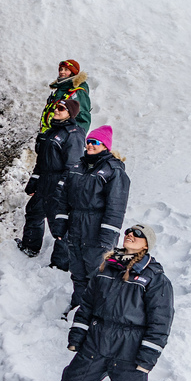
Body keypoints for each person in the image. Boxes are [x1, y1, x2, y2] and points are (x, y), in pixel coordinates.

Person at [53, 224, 174, 381]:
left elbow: (161, 321)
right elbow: (87, 305)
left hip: (130, 349)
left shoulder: (155, 278)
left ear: (147, 244)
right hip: (97, 341)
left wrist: (147, 357)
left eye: (139, 234)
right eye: (129, 231)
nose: (131, 234)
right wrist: (77, 335)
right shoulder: (106, 268)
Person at [56, 124, 129, 313]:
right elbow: (64, 198)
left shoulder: (113, 171)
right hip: (76, 229)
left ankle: (98, 312)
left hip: (97, 232)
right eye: (88, 141)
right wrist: (61, 224)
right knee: (78, 273)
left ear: (105, 145)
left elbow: (116, 207)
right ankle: (79, 308)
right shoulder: (77, 167)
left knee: (98, 274)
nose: (90, 145)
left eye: (95, 142)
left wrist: (107, 237)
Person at [19, 95, 86, 257]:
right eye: (56, 107)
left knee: (59, 223)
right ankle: (30, 247)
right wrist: (33, 182)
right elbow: (41, 162)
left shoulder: (73, 134)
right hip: (44, 182)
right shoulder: (51, 132)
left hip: (58, 184)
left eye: (61, 109)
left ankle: (61, 263)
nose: (56, 110)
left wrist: (62, 186)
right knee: (34, 212)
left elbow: (73, 165)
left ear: (70, 113)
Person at [39, 60, 92, 134]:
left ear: (73, 72)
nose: (62, 72)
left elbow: (83, 118)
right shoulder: (61, 89)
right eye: (61, 69)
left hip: (62, 136)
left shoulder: (78, 92)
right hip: (49, 134)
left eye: (66, 69)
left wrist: (74, 138)